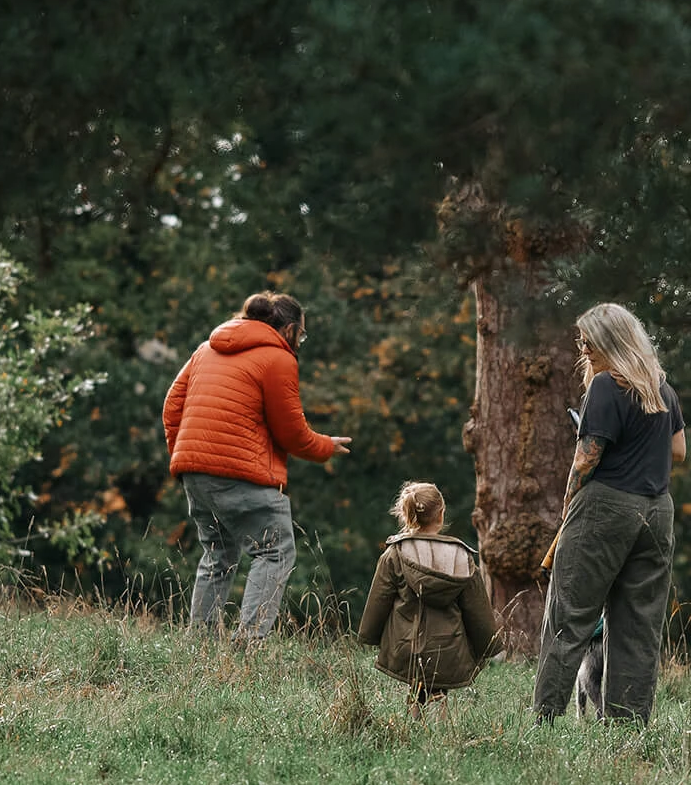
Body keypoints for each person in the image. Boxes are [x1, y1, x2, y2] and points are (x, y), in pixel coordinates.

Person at [160, 292, 350, 640]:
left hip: (194, 472)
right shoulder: (278, 359)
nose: (300, 343)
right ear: (289, 329)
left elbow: (172, 407)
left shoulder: (206, 349)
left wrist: (188, 457)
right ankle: (248, 646)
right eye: (302, 335)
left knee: (218, 555)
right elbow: (290, 431)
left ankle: (198, 646)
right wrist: (326, 446)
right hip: (241, 476)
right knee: (276, 551)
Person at [533, 303, 685, 721]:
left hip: (604, 507)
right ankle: (627, 725)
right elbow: (679, 451)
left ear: (612, 343)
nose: (584, 352)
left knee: (568, 616)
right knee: (639, 625)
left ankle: (544, 719)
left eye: (589, 344)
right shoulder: (662, 390)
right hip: (658, 513)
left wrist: (569, 509)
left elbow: (586, 460)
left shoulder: (605, 385)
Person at [358, 481, 497, 704]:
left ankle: (416, 720)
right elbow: (477, 609)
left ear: (406, 515)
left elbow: (379, 600)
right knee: (439, 679)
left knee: (418, 682)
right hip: (449, 649)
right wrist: (488, 645)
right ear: (441, 514)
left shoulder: (395, 553)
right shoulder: (462, 557)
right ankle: (438, 722)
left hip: (406, 648)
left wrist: (369, 636)